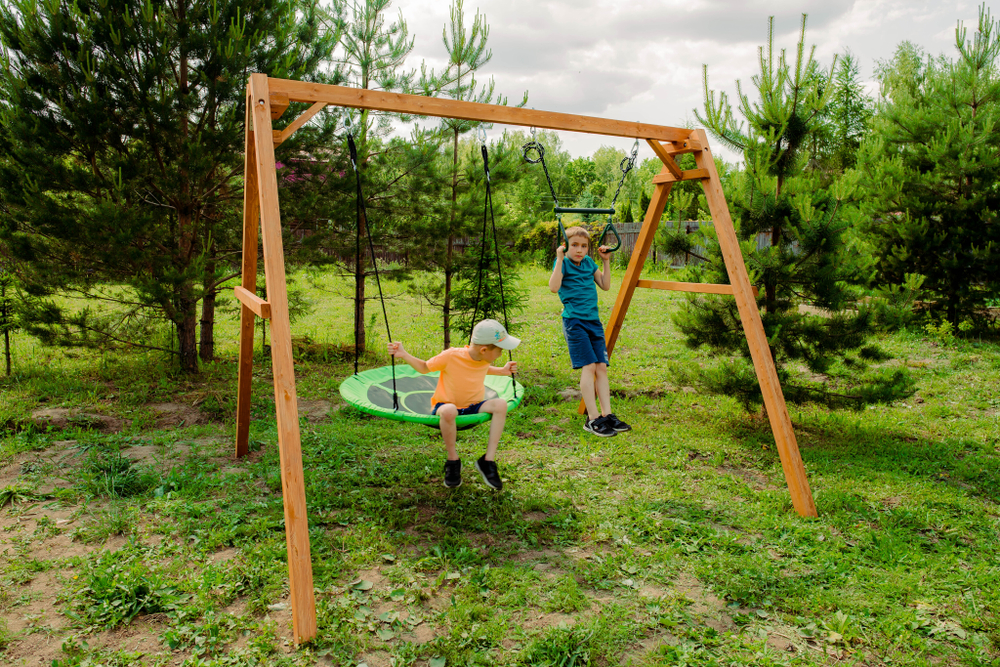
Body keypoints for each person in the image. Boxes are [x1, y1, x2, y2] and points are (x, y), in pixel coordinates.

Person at [387, 319, 519, 490]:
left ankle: (488, 461)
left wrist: (502, 371)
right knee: (449, 410)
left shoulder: (483, 358)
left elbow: (479, 368)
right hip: (445, 405)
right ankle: (453, 460)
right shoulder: (451, 356)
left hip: (473, 406)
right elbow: (425, 367)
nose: (501, 354)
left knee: (500, 404)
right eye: (499, 350)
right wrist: (404, 354)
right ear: (484, 350)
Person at [548, 226, 631, 438]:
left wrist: (606, 262)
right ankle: (592, 419)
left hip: (593, 321)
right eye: (574, 245)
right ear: (565, 246)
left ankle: (607, 414)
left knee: (601, 367)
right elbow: (554, 287)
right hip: (574, 322)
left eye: (584, 246)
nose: (579, 250)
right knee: (589, 366)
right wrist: (559, 258)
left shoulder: (588, 263)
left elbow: (605, 285)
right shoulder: (563, 263)